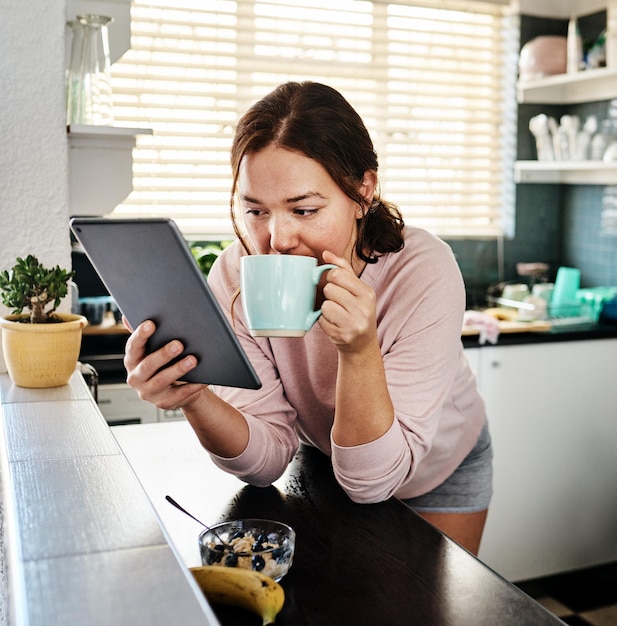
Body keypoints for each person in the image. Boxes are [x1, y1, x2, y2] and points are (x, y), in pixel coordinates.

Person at [124, 81, 492, 555]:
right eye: (255, 209)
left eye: (304, 209)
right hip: (328, 466)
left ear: (363, 191)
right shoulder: (236, 274)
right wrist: (195, 397)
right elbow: (267, 459)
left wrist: (359, 351)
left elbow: (371, 483)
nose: (276, 238)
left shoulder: (422, 270)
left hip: (440, 471)